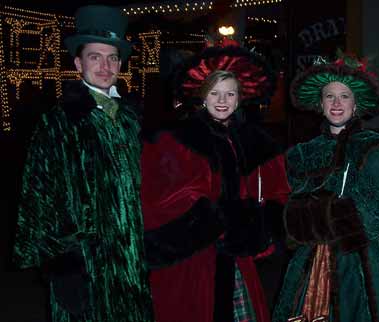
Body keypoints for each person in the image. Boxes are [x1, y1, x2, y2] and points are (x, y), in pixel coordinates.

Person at [12, 5, 154, 322]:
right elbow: (37, 198)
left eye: (112, 57)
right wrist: (60, 265)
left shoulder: (133, 118)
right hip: (84, 265)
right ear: (78, 62)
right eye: (95, 56)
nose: (105, 66)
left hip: (131, 261)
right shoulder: (59, 123)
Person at [140, 42, 290, 322]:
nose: (222, 101)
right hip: (193, 260)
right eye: (215, 93)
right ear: (202, 96)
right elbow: (165, 199)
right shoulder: (179, 140)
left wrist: (258, 223)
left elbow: (274, 192)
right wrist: (218, 221)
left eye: (230, 93)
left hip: (235, 259)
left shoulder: (253, 141)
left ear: (239, 98)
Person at [272, 55, 379, 322]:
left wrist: (315, 219)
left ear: (356, 104)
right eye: (329, 96)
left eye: (344, 96)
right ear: (320, 104)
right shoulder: (301, 154)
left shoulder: (375, 149)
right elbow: (288, 208)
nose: (336, 103)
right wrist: (312, 218)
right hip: (307, 262)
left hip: (358, 263)